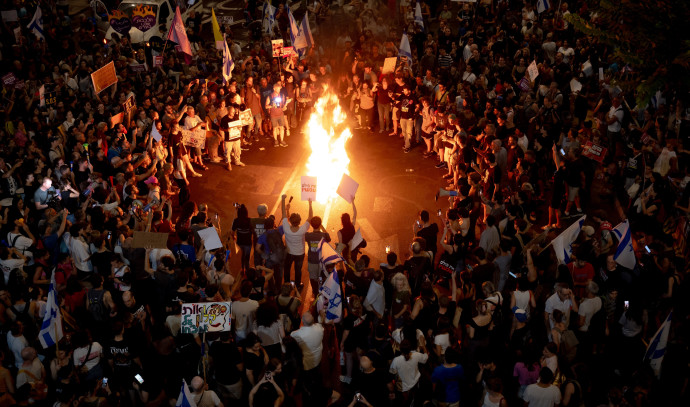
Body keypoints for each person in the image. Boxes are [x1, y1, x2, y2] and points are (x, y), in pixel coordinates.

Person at [281, 194, 313, 290]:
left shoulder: (286, 227)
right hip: (300, 253)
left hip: (289, 253)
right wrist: (310, 204)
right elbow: (310, 217)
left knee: (287, 269)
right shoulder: (303, 229)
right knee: (298, 269)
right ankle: (298, 284)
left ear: (290, 220)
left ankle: (287, 284)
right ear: (299, 222)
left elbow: (283, 214)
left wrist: (283, 201)